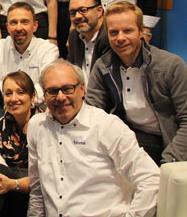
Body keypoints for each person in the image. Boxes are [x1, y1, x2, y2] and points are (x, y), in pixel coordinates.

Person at [28, 59, 160, 217]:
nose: (61, 97)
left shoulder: (107, 126)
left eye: (67, 89)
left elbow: (151, 179)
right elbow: (37, 189)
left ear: (82, 89)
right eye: (53, 91)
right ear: (44, 95)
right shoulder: (37, 126)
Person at [86, 1, 187, 164]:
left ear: (141, 31)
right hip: (127, 137)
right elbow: (92, 113)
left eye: (128, 31)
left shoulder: (171, 66)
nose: (120, 38)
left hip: (166, 142)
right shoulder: (103, 67)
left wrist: (169, 163)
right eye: (114, 32)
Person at [0, 2, 58, 112]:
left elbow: (46, 85)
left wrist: (21, 103)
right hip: (7, 110)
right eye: (13, 23)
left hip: (36, 110)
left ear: (35, 26)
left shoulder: (48, 50)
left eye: (24, 22)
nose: (19, 28)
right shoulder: (0, 47)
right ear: (7, 27)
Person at [0, 71, 41, 217]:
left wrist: (11, 184)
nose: (13, 99)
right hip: (4, 186)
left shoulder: (44, 126)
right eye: (8, 93)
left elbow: (44, 178)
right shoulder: (0, 125)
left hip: (30, 190)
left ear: (32, 97)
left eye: (20, 92)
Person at [66, 0, 110, 82]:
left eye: (83, 10)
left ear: (99, 11)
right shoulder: (74, 37)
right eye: (73, 13)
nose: (77, 16)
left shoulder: (110, 36)